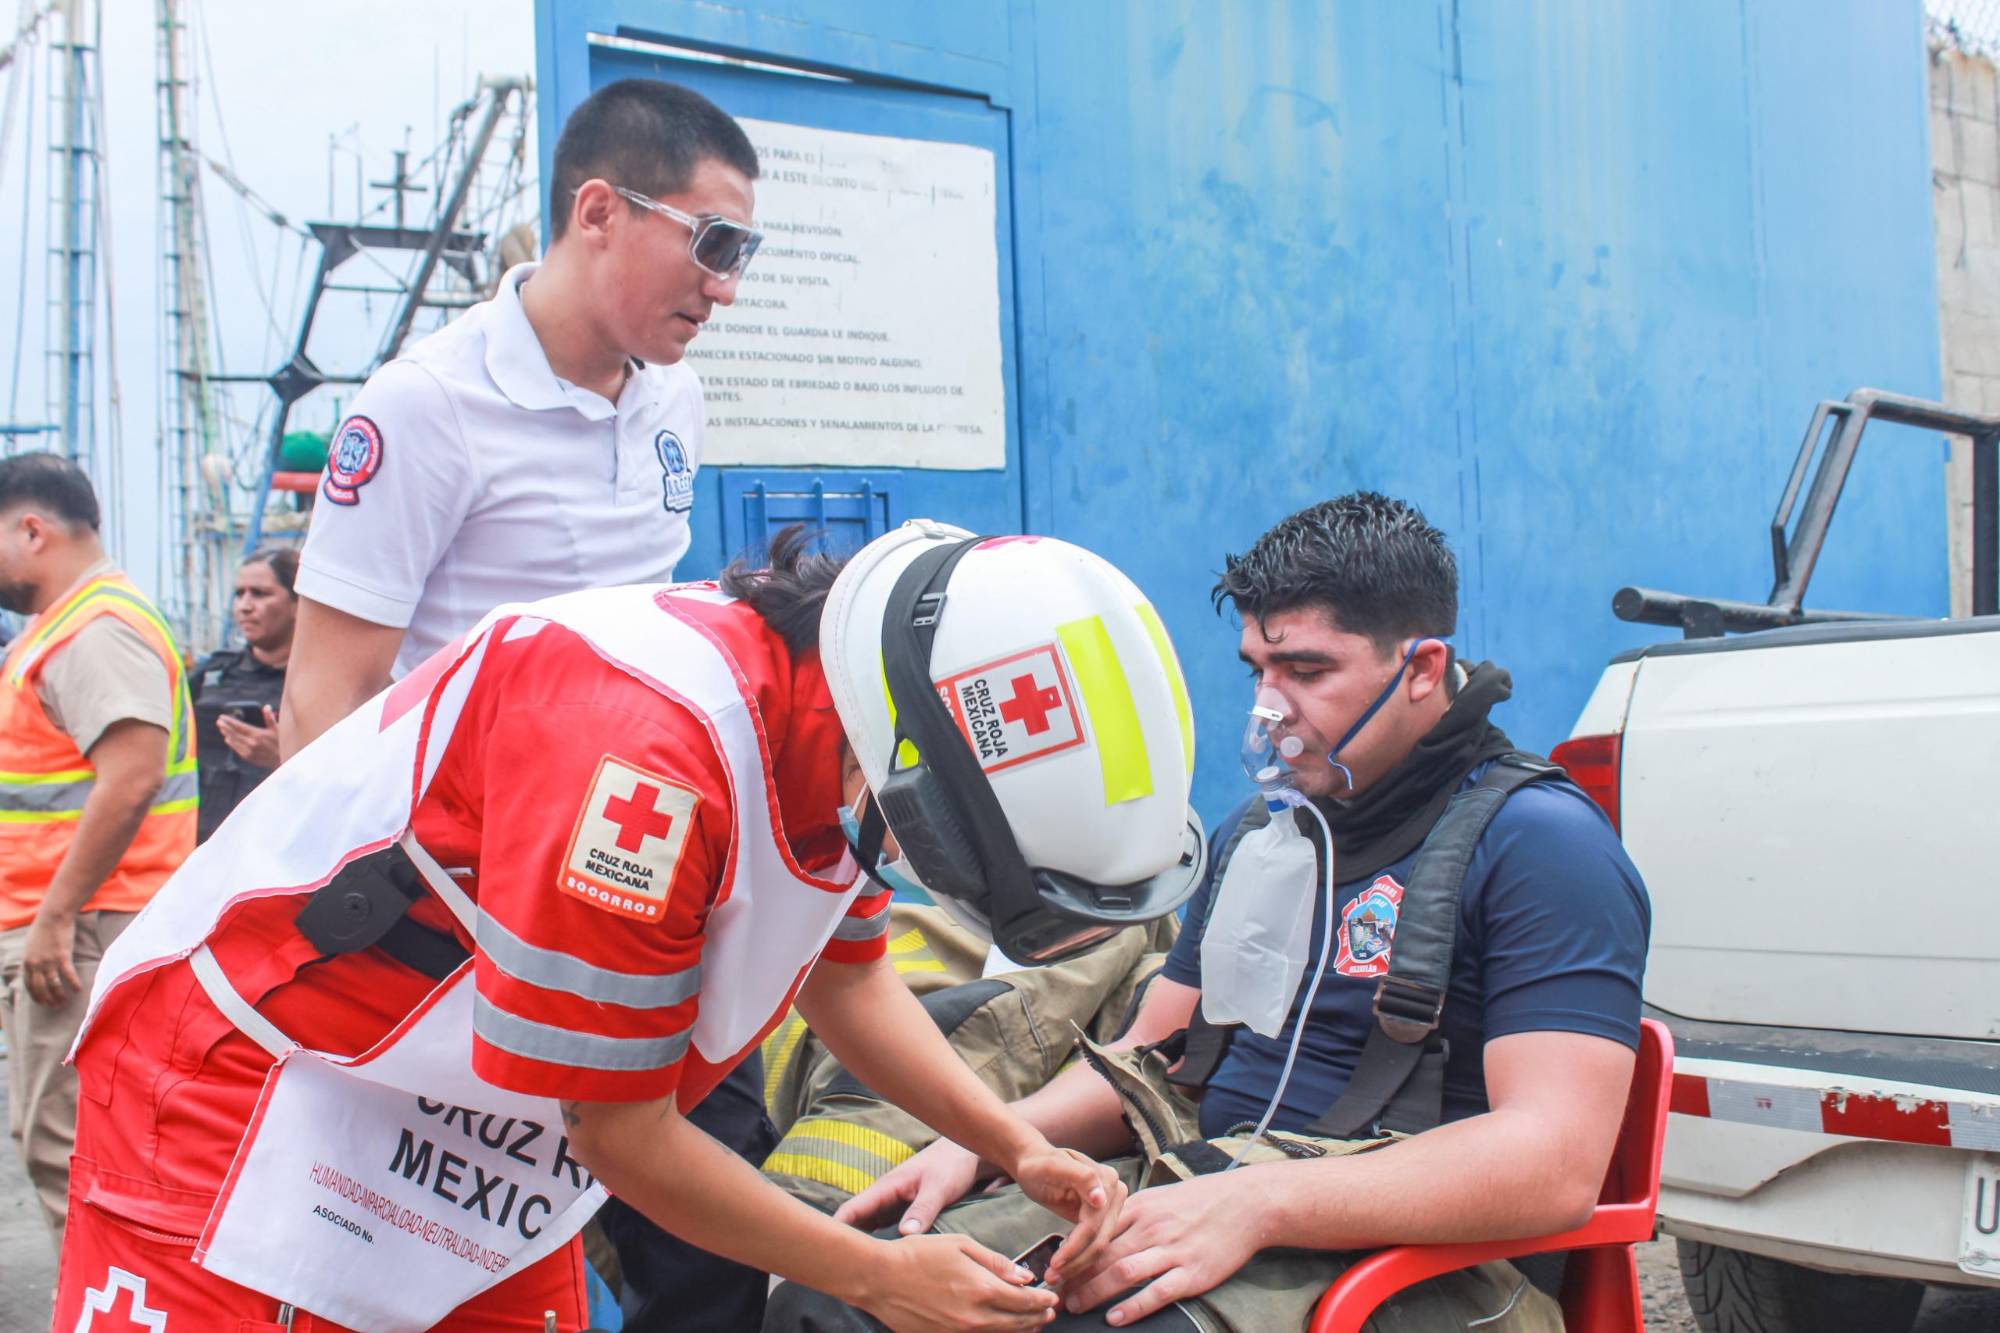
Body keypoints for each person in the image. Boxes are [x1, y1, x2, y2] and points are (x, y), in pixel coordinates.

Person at [53, 522, 1205, 1332]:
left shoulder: (849, 711)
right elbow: (623, 1137)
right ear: (899, 751)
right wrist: (878, 1276)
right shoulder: (645, 760)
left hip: (477, 1124)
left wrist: (1016, 1146)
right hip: (253, 1084)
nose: (915, 869)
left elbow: (843, 978)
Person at [769, 493, 1652, 1332]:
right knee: (862, 1293)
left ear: (1420, 668)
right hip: (1204, 1188)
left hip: (1425, 1265)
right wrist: (993, 1143)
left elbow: (1554, 1164)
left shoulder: (1542, 844)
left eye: (1307, 671)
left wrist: (1259, 1203)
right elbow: (1148, 1061)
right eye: (1259, 670)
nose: (1272, 709)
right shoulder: (1262, 837)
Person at [278, 76, 776, 1327]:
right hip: (475, 911)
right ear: (598, 210)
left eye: (743, 253)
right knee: (458, 1256)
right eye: (712, 245)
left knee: (714, 1233)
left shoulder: (675, 398)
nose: (725, 285)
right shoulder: (425, 406)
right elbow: (325, 702)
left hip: (647, 871)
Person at [0, 453, 195, 1253]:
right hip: (81, 920)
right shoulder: (72, 625)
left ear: (31, 529)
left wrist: (53, 916)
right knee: (68, 1138)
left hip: (84, 928)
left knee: (71, 1143)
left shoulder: (94, 629)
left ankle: (114, 1300)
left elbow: (131, 776)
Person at [192, 547, 299, 842]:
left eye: (260, 594)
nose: (245, 606)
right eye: (240, 594)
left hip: (274, 846)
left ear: (298, 603)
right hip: (204, 845)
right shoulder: (210, 674)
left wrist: (282, 758)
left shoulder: (320, 684)